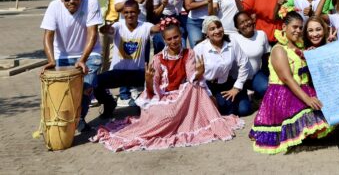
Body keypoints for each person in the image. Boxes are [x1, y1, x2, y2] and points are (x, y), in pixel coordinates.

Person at [92, 19, 243, 151]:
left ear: (181, 36)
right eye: (169, 39)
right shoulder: (158, 59)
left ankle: (192, 119)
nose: (174, 41)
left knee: (195, 87)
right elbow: (152, 90)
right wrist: (149, 80)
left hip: (182, 95)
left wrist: (199, 72)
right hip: (162, 96)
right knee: (166, 117)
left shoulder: (188, 53)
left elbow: (191, 77)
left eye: (176, 37)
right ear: (164, 40)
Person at [250, 12, 332, 154]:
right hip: (283, 94)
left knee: (328, 111)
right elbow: (287, 79)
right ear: (284, 27)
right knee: (310, 116)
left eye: (301, 28)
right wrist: (307, 99)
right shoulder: (278, 49)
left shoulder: (300, 48)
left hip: (301, 88)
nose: (298, 31)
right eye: (294, 27)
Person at [41, 0, 103, 132]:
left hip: (89, 53)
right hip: (63, 54)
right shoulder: (54, 6)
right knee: (62, 91)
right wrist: (51, 60)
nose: (71, 2)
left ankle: (79, 118)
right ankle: (62, 119)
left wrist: (82, 59)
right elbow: (48, 36)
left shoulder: (91, 3)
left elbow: (92, 34)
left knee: (86, 87)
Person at [93, 0, 160, 118]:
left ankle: (143, 104)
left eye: (133, 12)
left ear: (138, 12)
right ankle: (109, 103)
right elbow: (108, 30)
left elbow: (156, 28)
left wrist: (166, 22)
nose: (130, 15)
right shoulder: (118, 25)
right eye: (127, 12)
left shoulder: (145, 26)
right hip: (118, 72)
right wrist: (105, 28)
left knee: (156, 81)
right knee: (94, 83)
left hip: (138, 73)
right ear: (123, 13)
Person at [194, 16, 252, 116]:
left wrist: (237, 87)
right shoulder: (199, 49)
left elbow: (244, 63)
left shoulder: (231, 42)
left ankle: (240, 96)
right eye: (212, 29)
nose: (217, 31)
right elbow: (194, 75)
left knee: (245, 110)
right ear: (206, 33)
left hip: (228, 82)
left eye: (219, 27)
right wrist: (208, 94)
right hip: (208, 86)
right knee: (226, 111)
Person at [231, 12, 271, 99]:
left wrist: (268, 75)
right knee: (243, 110)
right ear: (237, 27)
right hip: (237, 78)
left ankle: (257, 94)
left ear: (252, 20)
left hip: (255, 75)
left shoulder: (261, 34)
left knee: (266, 88)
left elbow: (267, 55)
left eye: (247, 20)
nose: (246, 24)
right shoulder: (233, 38)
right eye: (241, 22)